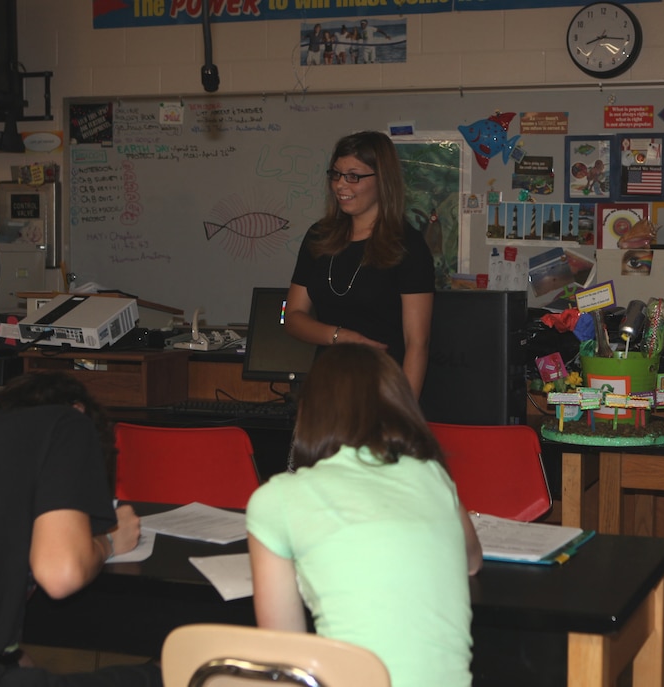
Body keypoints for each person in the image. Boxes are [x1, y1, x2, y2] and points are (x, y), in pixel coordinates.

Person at [246, 343, 482, 687]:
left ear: (309, 413)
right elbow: (472, 561)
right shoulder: (432, 476)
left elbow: (287, 665)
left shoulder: (276, 500)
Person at [0, 371, 156, 687]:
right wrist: (109, 541)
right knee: (169, 675)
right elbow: (61, 574)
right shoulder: (66, 422)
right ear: (78, 409)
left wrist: (11, 657)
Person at [285, 131, 434, 398]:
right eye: (336, 175)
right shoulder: (318, 237)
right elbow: (292, 317)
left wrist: (404, 413)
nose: (341, 185)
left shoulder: (407, 245)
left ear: (382, 180)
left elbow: (417, 344)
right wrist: (341, 336)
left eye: (353, 176)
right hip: (327, 387)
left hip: (382, 391)